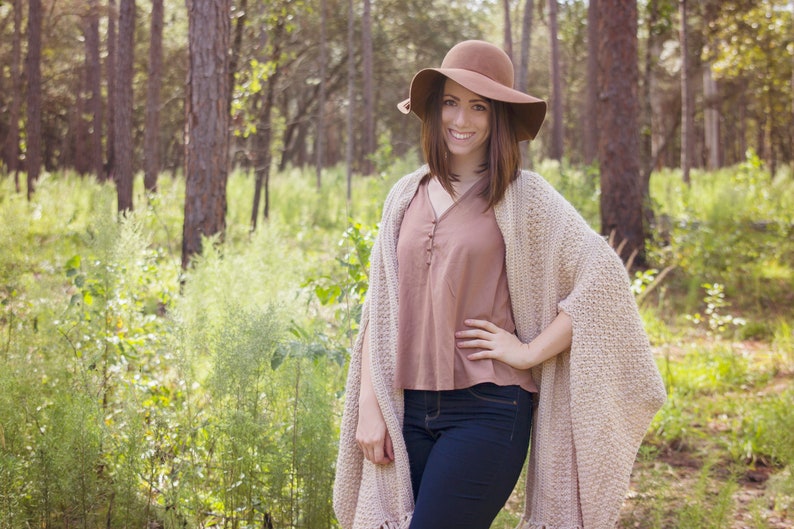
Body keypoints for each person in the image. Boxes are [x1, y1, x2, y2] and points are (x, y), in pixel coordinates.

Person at [333, 40, 666, 529]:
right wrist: (369, 405)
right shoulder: (405, 194)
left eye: (478, 106)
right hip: (406, 410)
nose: (460, 119)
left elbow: (603, 281)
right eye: (450, 102)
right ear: (433, 109)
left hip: (487, 410)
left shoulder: (524, 197)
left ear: (498, 117)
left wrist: (529, 353)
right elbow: (378, 309)